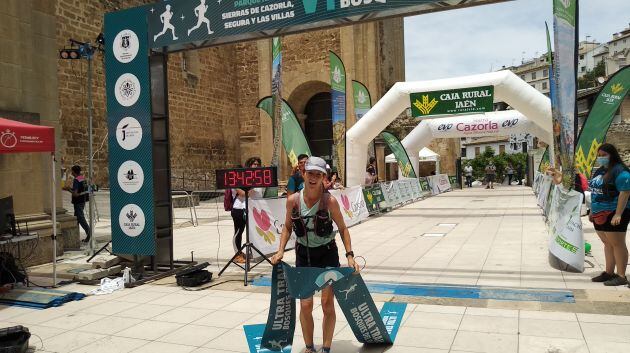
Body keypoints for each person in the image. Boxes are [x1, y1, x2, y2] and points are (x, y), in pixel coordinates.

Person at [271, 156, 360, 353]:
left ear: (323, 178)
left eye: (318, 175)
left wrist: (350, 255)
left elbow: (343, 229)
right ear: (303, 174)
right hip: (304, 255)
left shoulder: (330, 202)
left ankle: (326, 348)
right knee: (305, 305)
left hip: (327, 254)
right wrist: (279, 251)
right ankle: (309, 347)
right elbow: (287, 227)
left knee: (327, 303)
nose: (313, 178)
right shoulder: (293, 201)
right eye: (310, 173)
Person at [587, 143, 630, 286]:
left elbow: (625, 192)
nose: (601, 158)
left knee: (617, 243)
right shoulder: (599, 171)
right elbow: (594, 192)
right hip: (599, 213)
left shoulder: (620, 171)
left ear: (612, 155)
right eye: (599, 155)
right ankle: (609, 272)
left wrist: (618, 214)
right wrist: (592, 210)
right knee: (607, 243)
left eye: (604, 155)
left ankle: (621, 275)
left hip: (614, 212)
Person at [230, 157, 263, 264]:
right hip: (239, 209)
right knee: (238, 232)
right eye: (254, 164)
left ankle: (250, 252)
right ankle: (237, 254)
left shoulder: (255, 177)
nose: (257, 166)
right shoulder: (235, 180)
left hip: (251, 208)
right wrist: (255, 185)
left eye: (258, 164)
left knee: (252, 232)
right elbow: (243, 193)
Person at [63, 165, 91, 243]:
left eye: (72, 171)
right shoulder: (81, 177)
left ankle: (89, 234)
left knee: (81, 218)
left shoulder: (76, 180)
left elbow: (75, 194)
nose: (71, 172)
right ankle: (74, 237)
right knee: (77, 219)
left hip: (78, 201)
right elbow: (80, 189)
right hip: (82, 200)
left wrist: (68, 189)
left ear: (73, 172)